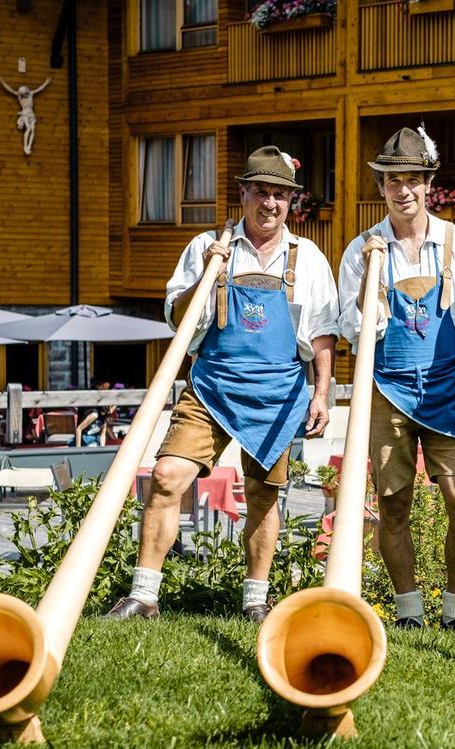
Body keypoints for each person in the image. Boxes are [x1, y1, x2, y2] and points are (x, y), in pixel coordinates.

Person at [106, 146, 340, 622]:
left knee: (262, 495)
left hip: (276, 395)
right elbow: (176, 317)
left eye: (279, 194)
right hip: (211, 386)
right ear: (243, 194)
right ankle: (144, 595)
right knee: (168, 476)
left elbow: (321, 333)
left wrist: (321, 393)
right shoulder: (207, 246)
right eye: (261, 192)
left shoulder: (308, 258)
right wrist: (208, 276)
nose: (270, 203)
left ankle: (255, 601)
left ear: (291, 201)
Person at [338, 126, 455, 633]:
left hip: (451, 390)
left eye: (412, 179)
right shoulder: (362, 249)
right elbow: (354, 332)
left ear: (429, 184)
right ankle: (408, 612)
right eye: (391, 180)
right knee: (393, 504)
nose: (402, 190)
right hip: (387, 391)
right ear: (381, 188)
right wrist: (368, 280)